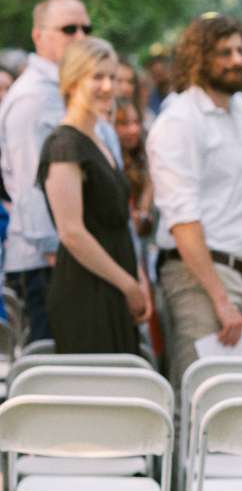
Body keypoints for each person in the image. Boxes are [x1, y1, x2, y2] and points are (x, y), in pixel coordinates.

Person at [147, 13, 242, 390]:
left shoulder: (239, 109)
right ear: (198, 58)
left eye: (240, 50)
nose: (237, 60)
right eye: (224, 52)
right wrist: (220, 300)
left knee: (239, 407)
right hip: (198, 279)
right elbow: (182, 219)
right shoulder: (180, 120)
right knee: (200, 404)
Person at [35, 37, 150, 355]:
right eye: (96, 77)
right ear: (72, 81)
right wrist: (128, 285)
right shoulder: (64, 145)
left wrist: (137, 279)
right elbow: (71, 232)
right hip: (86, 292)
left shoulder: (99, 139)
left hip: (116, 285)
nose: (107, 86)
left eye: (112, 77)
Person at [0, 0, 93, 341]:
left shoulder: (62, 90)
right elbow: (29, 186)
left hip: (72, 256)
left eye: (87, 28)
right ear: (39, 36)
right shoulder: (35, 97)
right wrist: (55, 252)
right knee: (55, 381)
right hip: (50, 263)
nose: (81, 37)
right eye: (69, 29)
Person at [113, 100, 154, 238]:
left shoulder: (143, 158)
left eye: (136, 122)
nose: (134, 130)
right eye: (124, 124)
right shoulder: (110, 164)